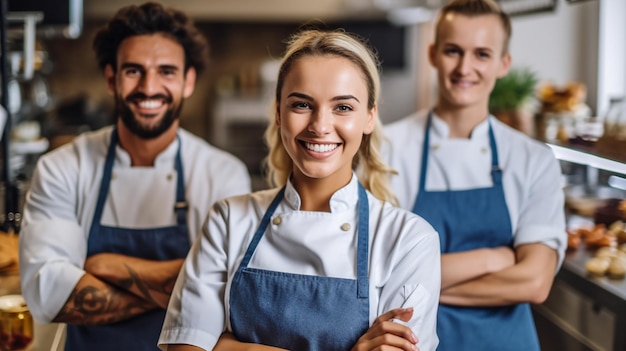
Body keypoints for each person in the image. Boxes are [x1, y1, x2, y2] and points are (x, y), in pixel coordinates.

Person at [158, 29, 441, 351]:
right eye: (302, 104)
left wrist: (225, 345)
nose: (320, 126)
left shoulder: (408, 240)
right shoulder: (227, 220)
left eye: (343, 107)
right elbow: (186, 348)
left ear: (369, 118)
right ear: (278, 112)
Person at [18, 2, 251, 351]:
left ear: (188, 81)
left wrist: (107, 267)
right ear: (111, 78)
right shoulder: (62, 168)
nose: (149, 86)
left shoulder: (222, 174)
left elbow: (233, 295)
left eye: (167, 71)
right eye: (133, 71)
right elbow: (49, 295)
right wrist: (189, 285)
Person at [382, 0, 566, 350]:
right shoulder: (386, 149)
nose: (465, 68)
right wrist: (492, 258)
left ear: (503, 64)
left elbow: (534, 282)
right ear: (433, 54)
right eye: (453, 51)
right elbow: (380, 273)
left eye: (482, 54)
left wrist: (421, 281)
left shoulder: (534, 160)